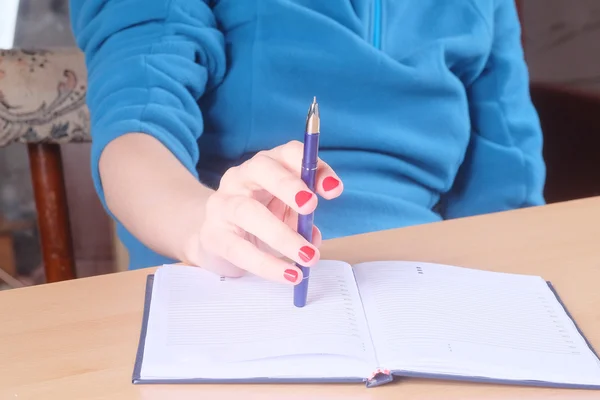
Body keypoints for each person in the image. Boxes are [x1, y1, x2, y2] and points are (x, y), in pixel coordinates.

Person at [68, 0, 545, 282]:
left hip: (424, 289)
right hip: (231, 281)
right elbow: (135, 131)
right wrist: (201, 228)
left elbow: (510, 187)